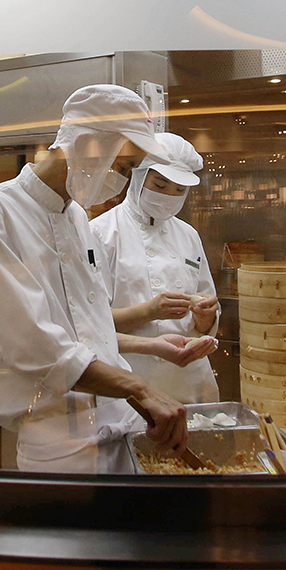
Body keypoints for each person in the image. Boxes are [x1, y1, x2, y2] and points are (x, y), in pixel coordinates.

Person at [0, 84, 214, 473]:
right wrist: (141, 387)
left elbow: (88, 329)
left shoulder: (78, 219)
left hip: (119, 426)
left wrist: (153, 348)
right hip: (58, 440)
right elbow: (35, 345)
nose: (122, 180)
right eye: (125, 167)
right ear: (89, 143)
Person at [92, 132, 220, 404]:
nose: (169, 196)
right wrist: (149, 311)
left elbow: (206, 303)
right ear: (139, 178)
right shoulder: (101, 233)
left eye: (179, 190)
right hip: (130, 380)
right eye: (160, 185)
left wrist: (206, 317)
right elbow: (90, 321)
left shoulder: (188, 235)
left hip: (190, 381)